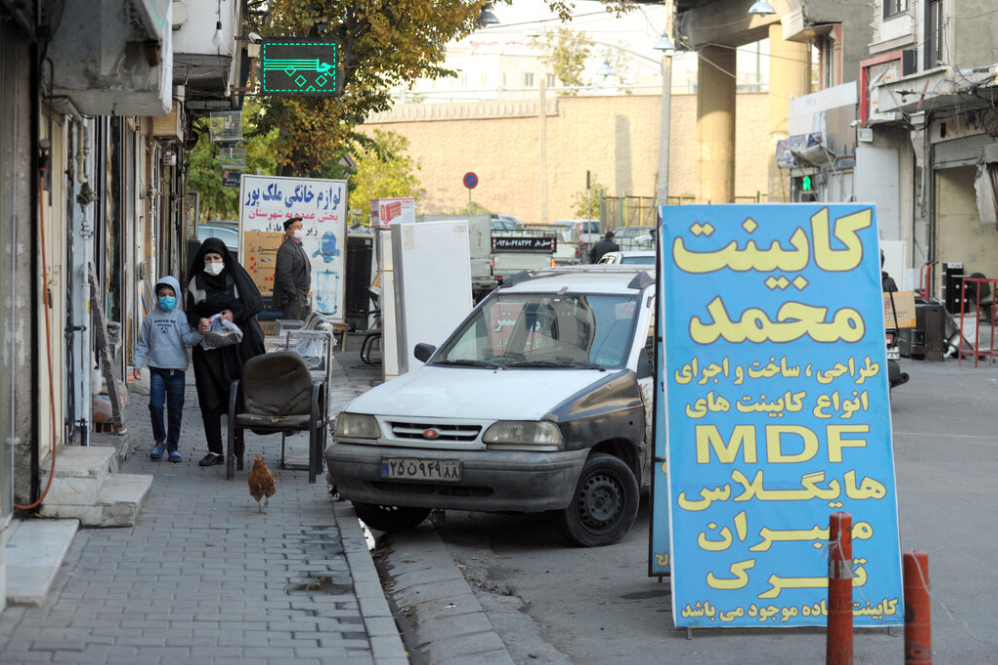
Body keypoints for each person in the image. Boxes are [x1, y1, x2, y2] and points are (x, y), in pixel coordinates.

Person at [186, 238, 266, 468]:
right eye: (208, 259)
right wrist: (198, 321)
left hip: (235, 350)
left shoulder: (236, 279)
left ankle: (236, 449)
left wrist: (233, 314)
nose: (212, 263)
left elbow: (253, 303)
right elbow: (189, 312)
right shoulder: (196, 282)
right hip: (208, 351)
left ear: (224, 258)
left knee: (236, 398)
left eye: (217, 258)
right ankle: (215, 451)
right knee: (209, 399)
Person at [133, 276, 202, 463]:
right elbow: (143, 345)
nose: (167, 298)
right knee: (155, 406)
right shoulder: (150, 319)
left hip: (177, 373)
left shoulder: (181, 317)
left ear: (177, 295)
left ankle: (173, 447)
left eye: (171, 295)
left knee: (175, 411)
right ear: (156, 296)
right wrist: (137, 365)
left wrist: (199, 334)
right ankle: (159, 441)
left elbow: (188, 339)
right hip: (157, 371)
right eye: (163, 295)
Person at [273, 216, 311, 320]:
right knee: (292, 329)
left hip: (300, 298)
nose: (301, 229)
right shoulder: (286, 248)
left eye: (301, 226)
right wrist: (294, 295)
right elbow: (284, 275)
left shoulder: (298, 246)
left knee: (298, 330)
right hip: (292, 299)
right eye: (297, 227)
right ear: (289, 231)